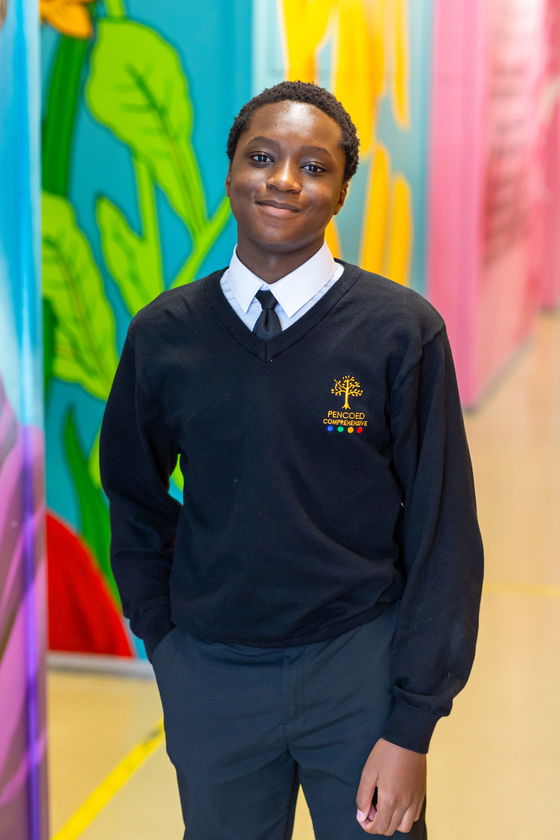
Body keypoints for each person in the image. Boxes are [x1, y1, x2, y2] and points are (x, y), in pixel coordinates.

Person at [99, 80, 484, 839]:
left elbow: (443, 533)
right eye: (263, 157)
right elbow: (133, 495)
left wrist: (411, 723)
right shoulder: (165, 334)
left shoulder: (401, 333)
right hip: (212, 673)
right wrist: (167, 642)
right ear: (231, 171)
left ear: (342, 193)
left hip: (359, 670)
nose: (283, 179)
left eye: (315, 167)